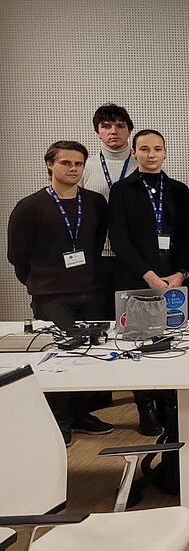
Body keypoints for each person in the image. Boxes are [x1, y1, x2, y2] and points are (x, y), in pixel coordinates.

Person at [8, 141, 112, 443]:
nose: (73, 169)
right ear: (50, 165)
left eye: (78, 164)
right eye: (66, 163)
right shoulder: (30, 207)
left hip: (92, 290)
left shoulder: (94, 202)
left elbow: (96, 241)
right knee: (58, 357)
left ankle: (82, 414)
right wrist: (38, 283)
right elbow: (18, 255)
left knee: (90, 354)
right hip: (51, 295)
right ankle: (60, 421)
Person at [108, 130, 189, 436]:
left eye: (157, 149)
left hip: (174, 279)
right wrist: (148, 275)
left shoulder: (178, 190)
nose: (151, 154)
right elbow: (120, 239)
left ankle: (170, 402)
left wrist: (181, 273)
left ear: (165, 152)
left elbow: (188, 236)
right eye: (144, 149)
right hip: (138, 277)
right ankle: (145, 406)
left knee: (174, 340)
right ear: (134, 153)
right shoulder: (122, 190)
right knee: (139, 342)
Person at [80, 104, 134, 317]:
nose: (113, 131)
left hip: (133, 256)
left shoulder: (143, 164)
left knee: (131, 318)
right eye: (106, 126)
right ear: (97, 132)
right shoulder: (86, 166)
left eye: (120, 126)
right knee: (99, 316)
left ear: (129, 131)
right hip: (98, 255)